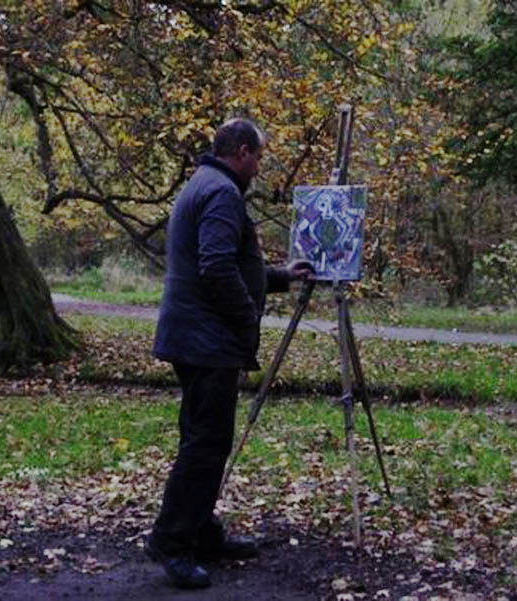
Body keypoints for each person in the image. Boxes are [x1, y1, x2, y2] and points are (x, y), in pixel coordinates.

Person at [147, 118, 313, 589]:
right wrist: (246, 317)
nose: (259, 167)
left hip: (194, 336)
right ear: (241, 151)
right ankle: (172, 542)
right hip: (207, 340)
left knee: (202, 438)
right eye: (258, 156)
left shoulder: (204, 183)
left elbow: (233, 262)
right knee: (206, 444)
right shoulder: (221, 192)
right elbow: (217, 266)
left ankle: (202, 532)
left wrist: (282, 275)